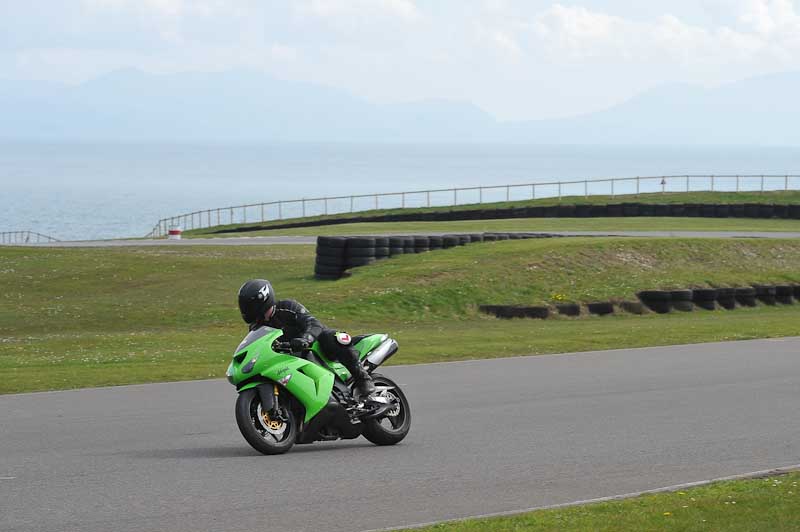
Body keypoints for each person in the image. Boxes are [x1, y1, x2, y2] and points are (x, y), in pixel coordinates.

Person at [237, 278, 376, 398]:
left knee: (333, 337)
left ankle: (363, 379)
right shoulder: (257, 328)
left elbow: (313, 323)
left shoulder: (287, 307)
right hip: (292, 361)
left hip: (315, 349)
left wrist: (306, 339)